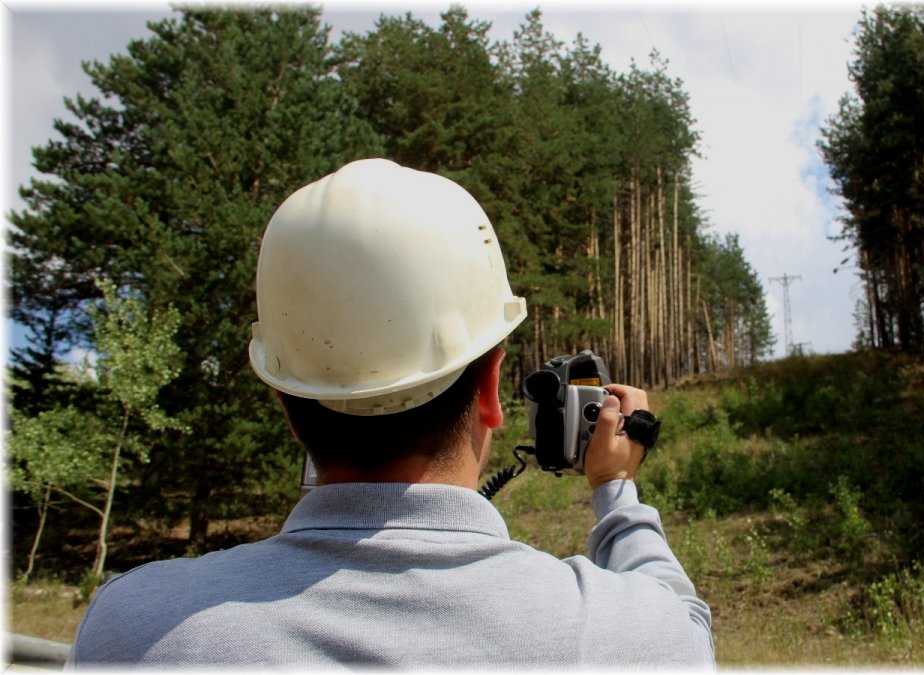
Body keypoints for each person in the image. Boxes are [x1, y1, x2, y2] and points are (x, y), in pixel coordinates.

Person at [70, 158, 715, 668]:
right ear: (491, 390)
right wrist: (617, 492)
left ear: (286, 402)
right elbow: (689, 630)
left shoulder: (133, 628)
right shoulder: (613, 635)